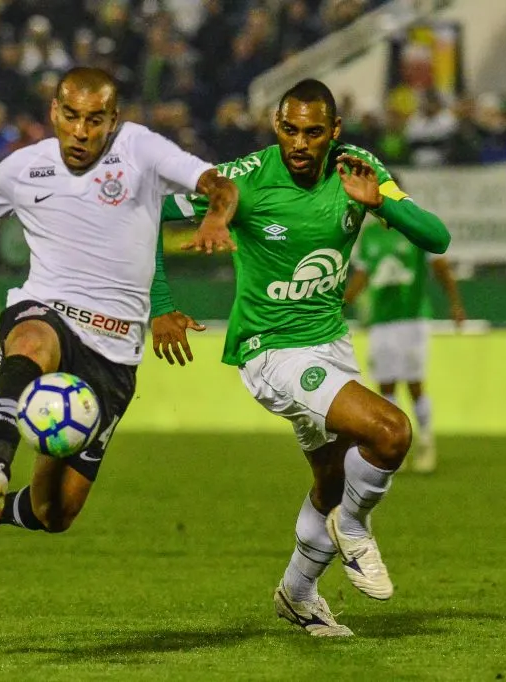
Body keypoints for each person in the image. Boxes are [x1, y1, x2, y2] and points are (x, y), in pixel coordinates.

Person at [0, 67, 236, 573]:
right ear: (54, 113)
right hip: (48, 308)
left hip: (114, 351)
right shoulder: (22, 168)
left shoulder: (142, 150)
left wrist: (215, 216)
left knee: (55, 512)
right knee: (31, 342)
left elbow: (219, 184)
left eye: (94, 120)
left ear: (113, 120)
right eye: (71, 116)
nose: (80, 131)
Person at [159, 79, 450, 637]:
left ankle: (297, 595)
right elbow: (151, 213)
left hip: (330, 344)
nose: (299, 142)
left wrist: (381, 203)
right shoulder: (243, 179)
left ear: (334, 132)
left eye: (313, 132)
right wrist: (162, 306)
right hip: (269, 351)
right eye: (289, 129)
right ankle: (357, 530)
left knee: (332, 482)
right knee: (390, 432)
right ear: (276, 125)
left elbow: (436, 238)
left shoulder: (356, 166)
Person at [344, 217, 465, 473]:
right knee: (385, 386)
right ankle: (394, 446)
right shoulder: (370, 235)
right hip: (381, 320)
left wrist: (455, 302)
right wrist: (340, 304)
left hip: (412, 318)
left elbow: (440, 266)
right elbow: (363, 275)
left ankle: (425, 442)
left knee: (414, 384)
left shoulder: (414, 228)